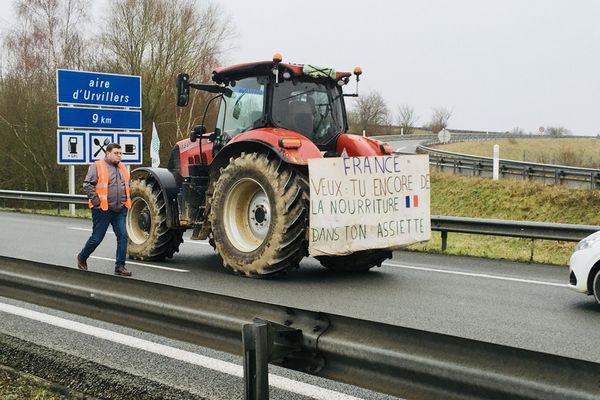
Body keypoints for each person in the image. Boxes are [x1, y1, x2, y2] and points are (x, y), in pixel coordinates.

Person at [77, 143, 132, 276]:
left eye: (120, 153)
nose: (119, 155)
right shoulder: (97, 166)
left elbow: (127, 185)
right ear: (107, 153)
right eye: (116, 153)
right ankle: (82, 257)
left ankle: (120, 266)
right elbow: (87, 185)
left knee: (123, 236)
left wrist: (125, 202)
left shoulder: (123, 167)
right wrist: (96, 202)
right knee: (97, 238)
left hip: (120, 209)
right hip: (102, 210)